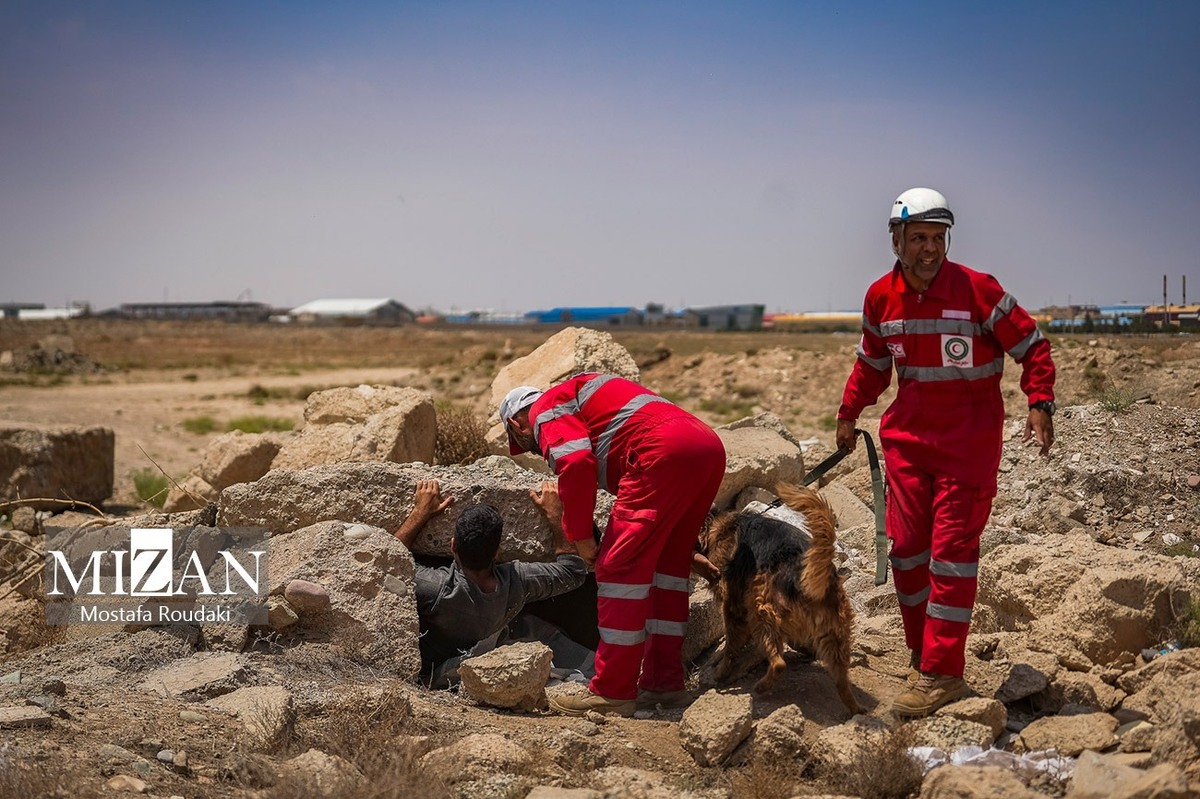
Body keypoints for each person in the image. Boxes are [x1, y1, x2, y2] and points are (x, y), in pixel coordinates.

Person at [836, 187, 1056, 718]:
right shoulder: (878, 297)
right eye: (918, 238)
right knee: (907, 554)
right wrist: (848, 414)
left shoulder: (979, 290)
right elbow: (872, 364)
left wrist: (1040, 401)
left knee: (951, 560)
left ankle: (943, 674)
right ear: (896, 240)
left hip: (968, 448)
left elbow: (1033, 346)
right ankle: (922, 652)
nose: (930, 248)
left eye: (938, 237)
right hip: (908, 444)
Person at [500, 375, 727, 716]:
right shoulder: (584, 397)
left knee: (619, 570)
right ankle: (662, 684)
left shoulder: (546, 409)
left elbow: (575, 462)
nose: (534, 448)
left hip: (658, 452)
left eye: (525, 442)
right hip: (706, 448)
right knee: (668, 570)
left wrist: (580, 537)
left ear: (517, 423)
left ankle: (612, 691)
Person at [393, 478, 589, 687]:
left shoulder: (436, 587)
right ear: (497, 552)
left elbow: (387, 562)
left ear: (452, 546)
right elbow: (573, 572)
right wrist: (555, 514)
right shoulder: (517, 581)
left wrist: (420, 512)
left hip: (434, 672)